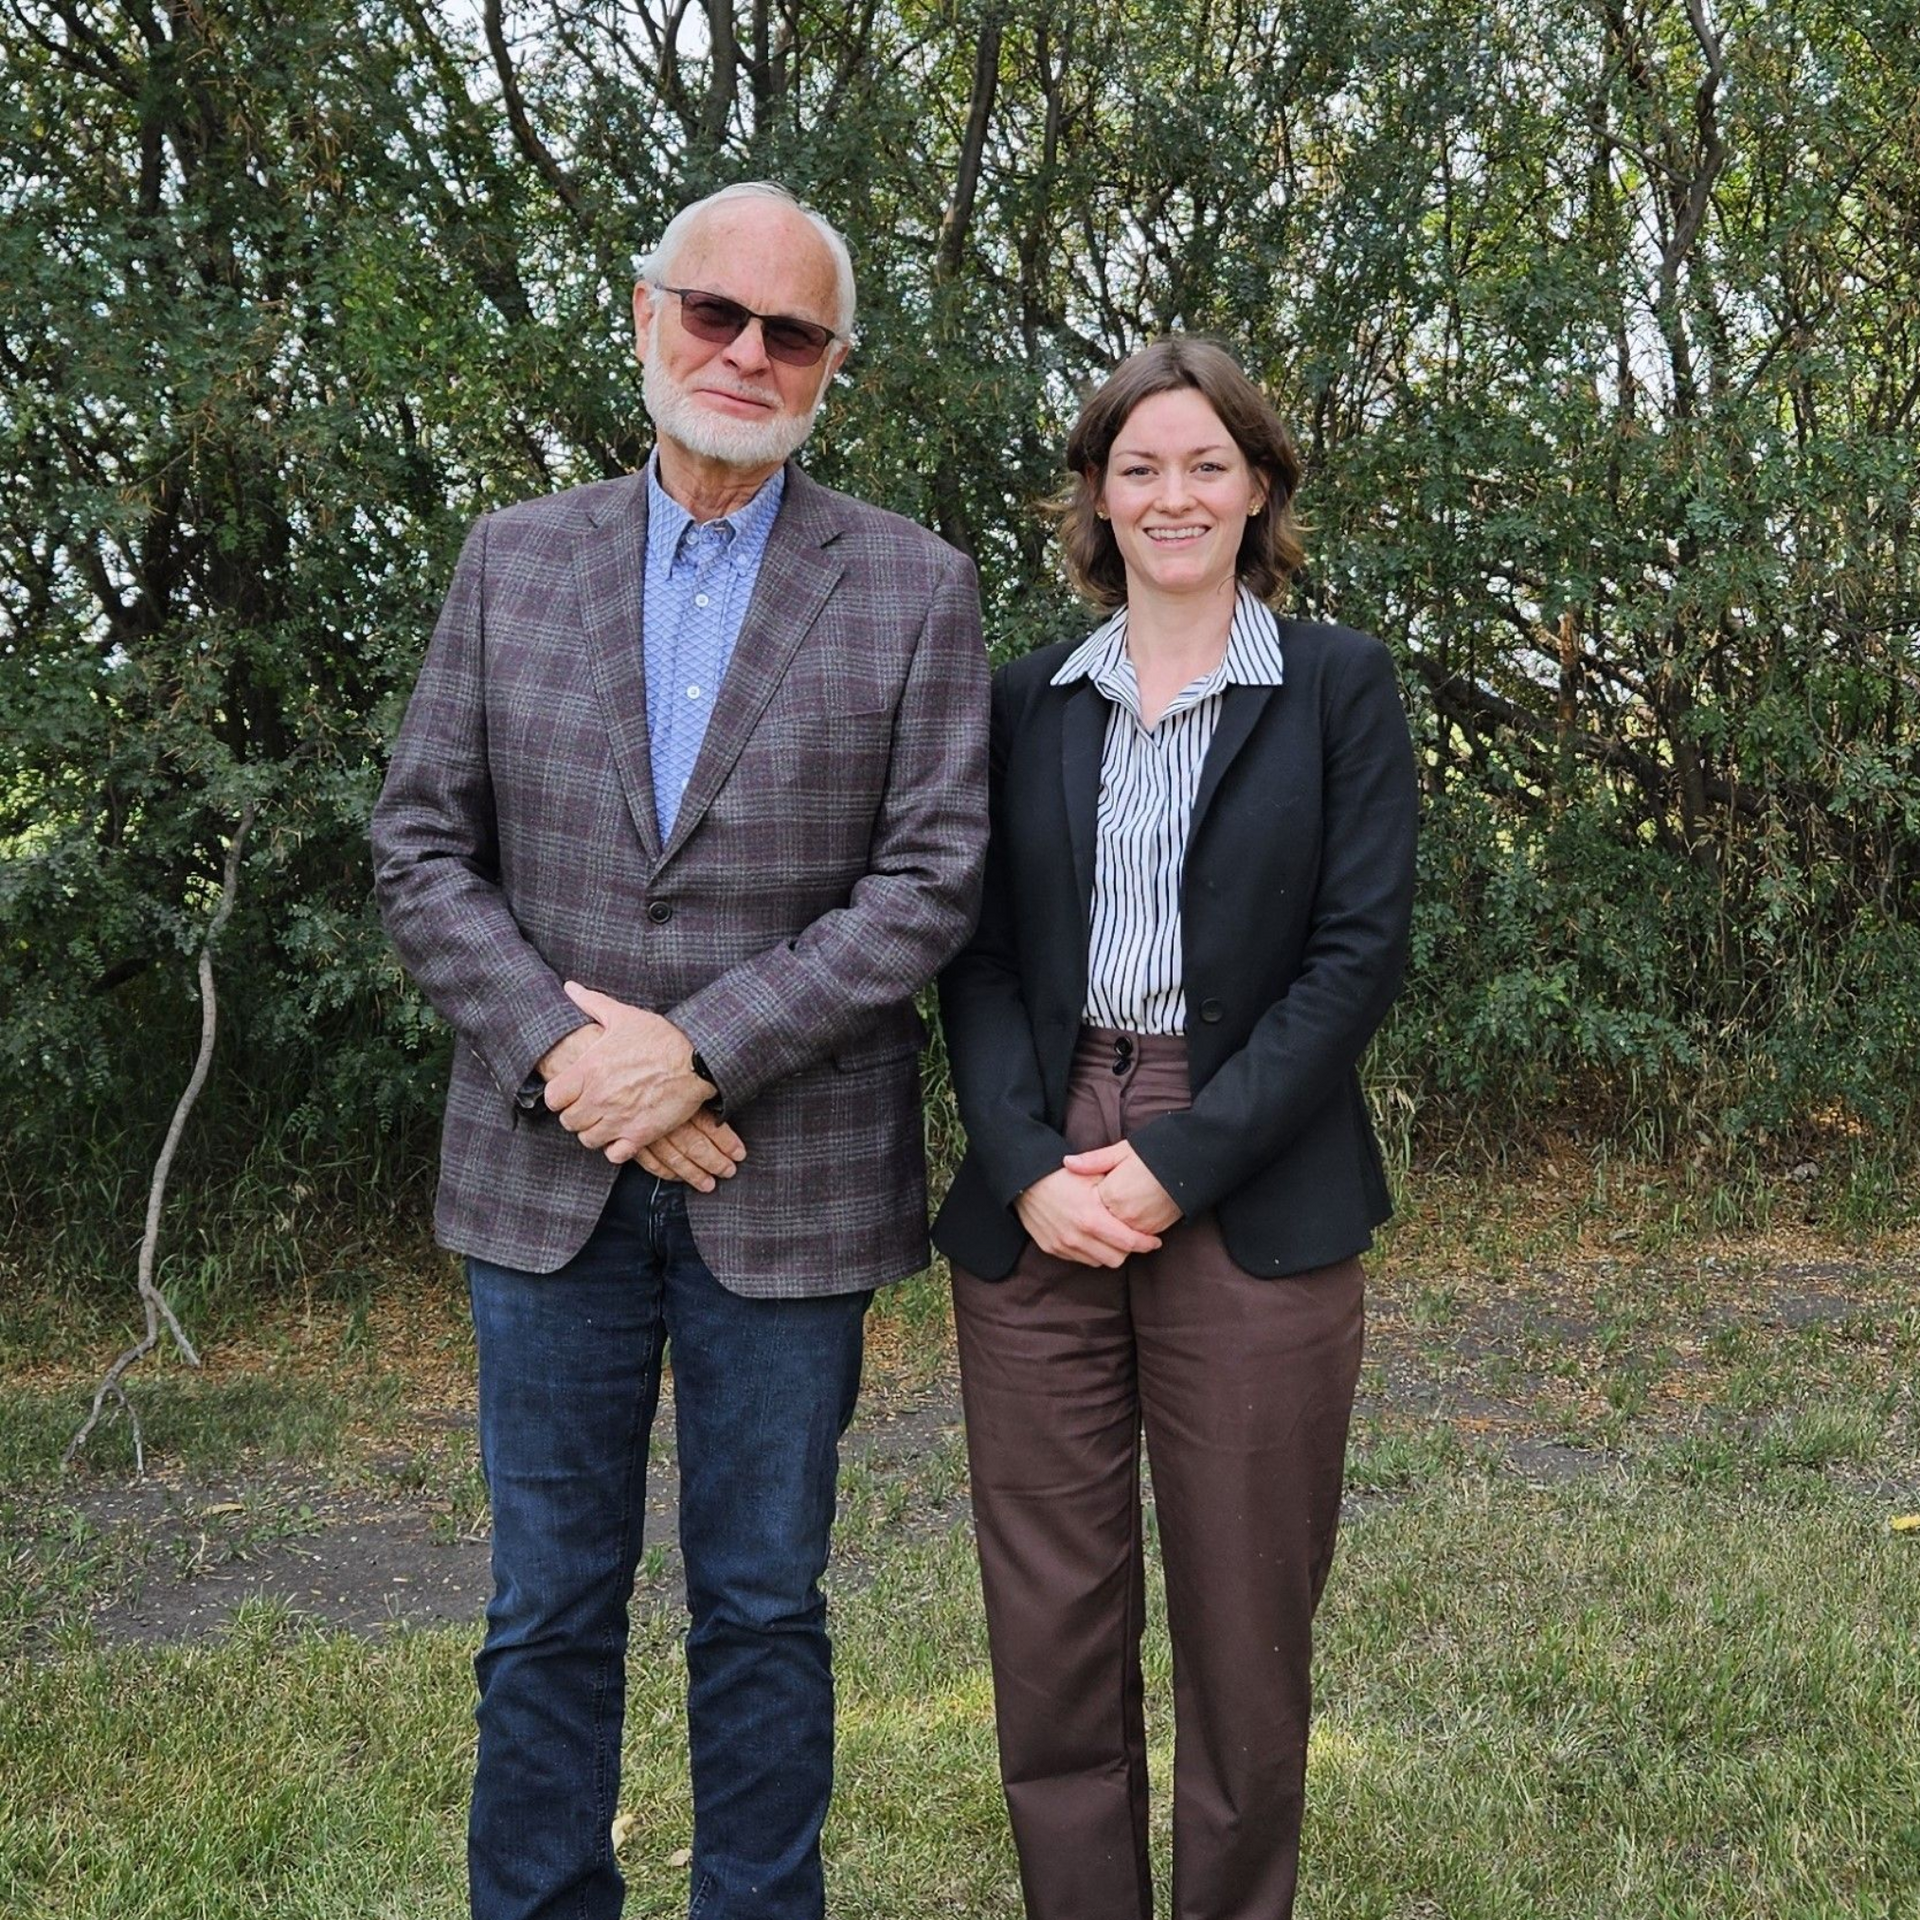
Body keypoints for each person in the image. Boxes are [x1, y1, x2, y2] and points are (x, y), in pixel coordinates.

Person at [371, 181, 989, 1920]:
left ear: (832, 370)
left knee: (768, 1608)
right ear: (645, 317)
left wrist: (700, 1056)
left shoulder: (913, 589)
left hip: (785, 1189)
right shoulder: (513, 558)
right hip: (541, 1171)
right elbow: (423, 846)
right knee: (546, 1604)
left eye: (788, 331)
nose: (745, 352)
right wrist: (578, 1058)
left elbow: (933, 880)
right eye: (715, 313)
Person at [934, 336, 1417, 1920]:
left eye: (1207, 462)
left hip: (1254, 1162)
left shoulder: (1338, 686)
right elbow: (981, 955)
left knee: (1243, 1624)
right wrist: (1024, 1170)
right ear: (1095, 498)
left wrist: (1178, 1158)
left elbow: (1357, 960)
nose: (1173, 493)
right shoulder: (1022, 704)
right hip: (1043, 1156)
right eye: (1138, 466)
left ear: (1260, 485)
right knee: (1052, 1623)